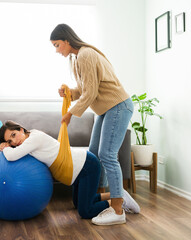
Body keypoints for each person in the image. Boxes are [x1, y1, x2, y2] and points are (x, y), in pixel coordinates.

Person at [50, 23, 136, 225]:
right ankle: (98, 199)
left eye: (57, 45)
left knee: (107, 155)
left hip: (118, 106)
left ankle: (117, 210)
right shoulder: (75, 58)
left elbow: (91, 93)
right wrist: (69, 92)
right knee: (93, 155)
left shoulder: (86, 55)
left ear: (67, 40)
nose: (56, 50)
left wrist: (71, 113)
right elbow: (85, 88)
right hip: (107, 109)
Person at [0, 120, 139, 224]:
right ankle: (119, 194)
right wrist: (9, 146)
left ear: (21, 129)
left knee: (85, 211)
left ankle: (118, 201)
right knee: (78, 204)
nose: (14, 142)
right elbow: (16, 152)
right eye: (9, 141)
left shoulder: (34, 138)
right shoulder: (29, 140)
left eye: (14, 135)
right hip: (77, 170)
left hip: (86, 166)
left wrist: (5, 148)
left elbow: (11, 156)